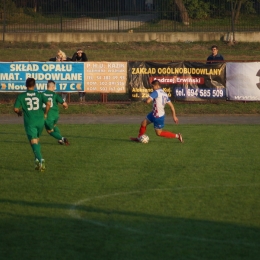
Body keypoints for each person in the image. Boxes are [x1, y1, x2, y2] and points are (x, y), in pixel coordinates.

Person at [14, 78, 51, 172]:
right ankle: (36, 162)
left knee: (33, 142)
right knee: (36, 141)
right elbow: (48, 104)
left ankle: (40, 159)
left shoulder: (21, 96)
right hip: (40, 121)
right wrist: (45, 113)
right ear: (34, 85)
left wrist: (19, 112)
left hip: (30, 122)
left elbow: (15, 109)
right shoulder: (40, 94)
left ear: (26, 85)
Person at [43, 80, 70, 145]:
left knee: (49, 131)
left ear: (47, 86)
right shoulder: (55, 95)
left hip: (48, 116)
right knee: (54, 126)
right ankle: (60, 140)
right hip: (55, 115)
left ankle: (62, 138)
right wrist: (65, 107)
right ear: (52, 87)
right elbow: (65, 104)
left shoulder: (42, 94)